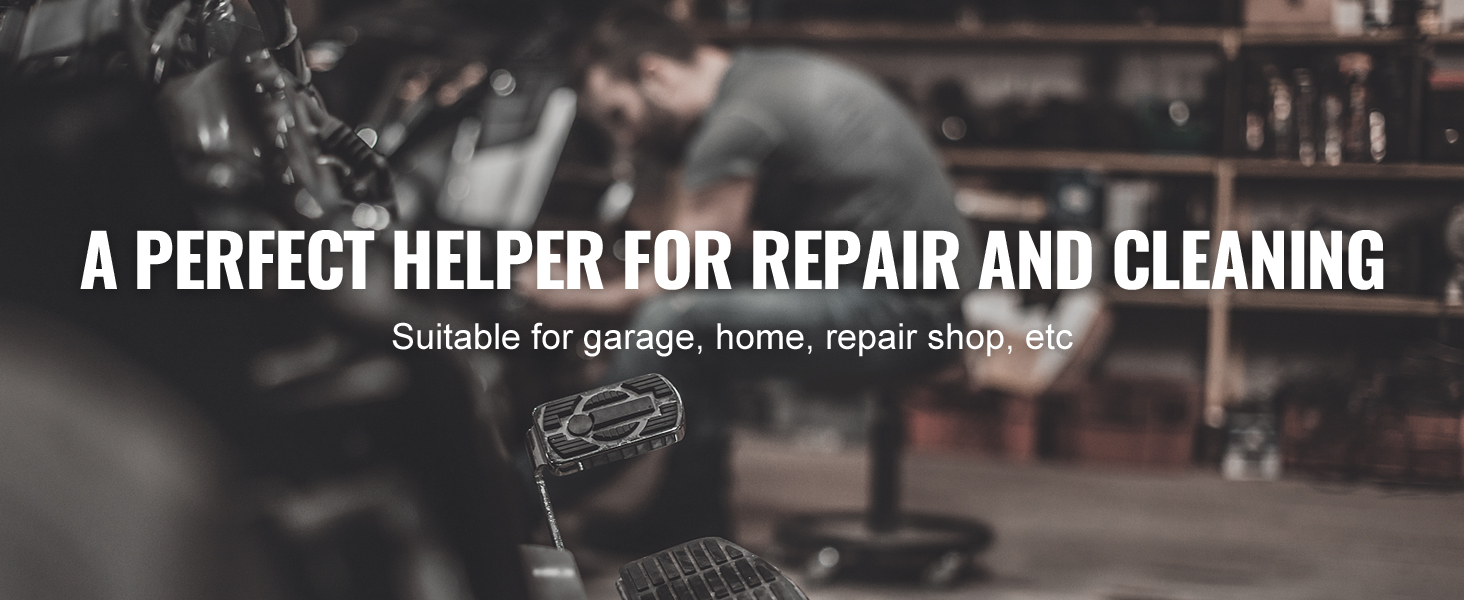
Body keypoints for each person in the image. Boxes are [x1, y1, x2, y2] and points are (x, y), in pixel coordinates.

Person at [524, 2, 981, 553]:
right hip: (922, 304)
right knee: (696, 326)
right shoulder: (766, 77)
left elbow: (673, 279)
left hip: (903, 315)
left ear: (654, 74)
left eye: (621, 115)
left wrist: (555, 292)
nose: (627, 139)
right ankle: (687, 522)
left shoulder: (736, 122)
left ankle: (523, 495)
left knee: (677, 324)